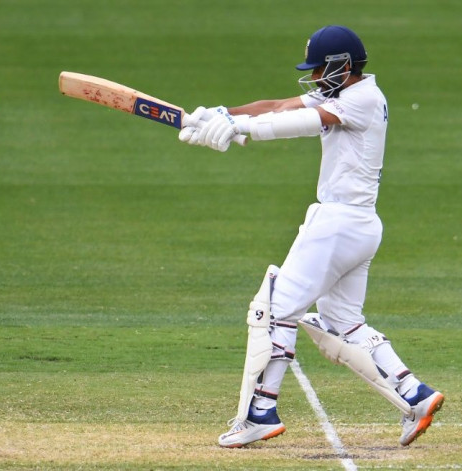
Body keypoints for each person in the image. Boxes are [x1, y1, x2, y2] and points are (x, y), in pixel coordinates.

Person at [179, 25, 444, 448]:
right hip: (359, 227)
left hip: (337, 225)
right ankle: (415, 393)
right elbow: (281, 105)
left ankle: (260, 412)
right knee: (344, 323)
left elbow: (303, 122)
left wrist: (242, 129)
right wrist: (220, 114)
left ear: (341, 65)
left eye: (320, 68)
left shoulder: (362, 98)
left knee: (275, 309)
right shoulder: (343, 92)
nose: (316, 76)